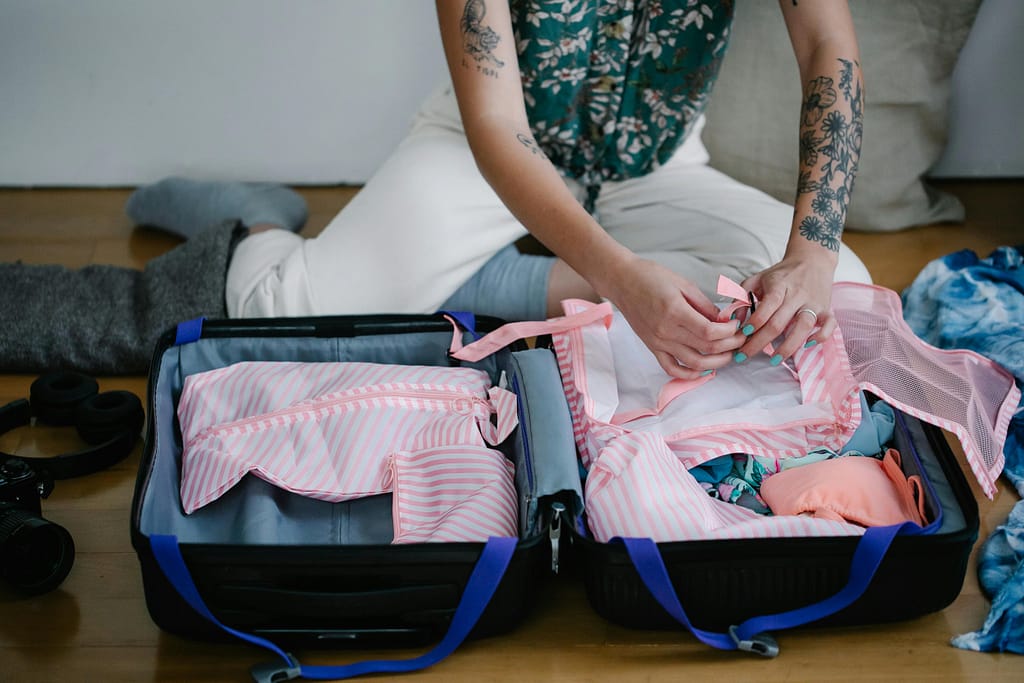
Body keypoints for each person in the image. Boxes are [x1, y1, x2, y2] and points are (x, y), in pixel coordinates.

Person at [1, 0, 870, 378]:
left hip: (657, 164)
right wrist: (618, 278)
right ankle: (263, 220)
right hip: (484, 152)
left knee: (847, 296)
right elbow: (496, 125)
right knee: (273, 316)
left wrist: (812, 252)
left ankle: (491, 281)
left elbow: (827, 42)